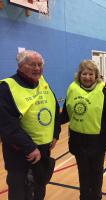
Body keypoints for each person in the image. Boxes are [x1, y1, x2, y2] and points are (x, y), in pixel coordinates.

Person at [0, 50, 61, 200]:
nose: (37, 68)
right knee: (20, 191)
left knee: (39, 188)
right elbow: (7, 125)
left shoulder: (42, 82)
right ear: (21, 66)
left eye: (40, 65)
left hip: (43, 150)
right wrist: (30, 147)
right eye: (32, 64)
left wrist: (55, 133)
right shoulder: (7, 88)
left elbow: (53, 108)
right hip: (20, 153)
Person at [60, 60, 106, 200]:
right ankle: (84, 197)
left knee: (97, 173)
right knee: (83, 173)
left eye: (91, 74)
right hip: (78, 141)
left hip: (98, 142)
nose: (87, 77)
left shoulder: (103, 91)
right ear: (79, 75)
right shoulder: (72, 89)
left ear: (96, 75)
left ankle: (96, 197)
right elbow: (66, 115)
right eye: (84, 73)